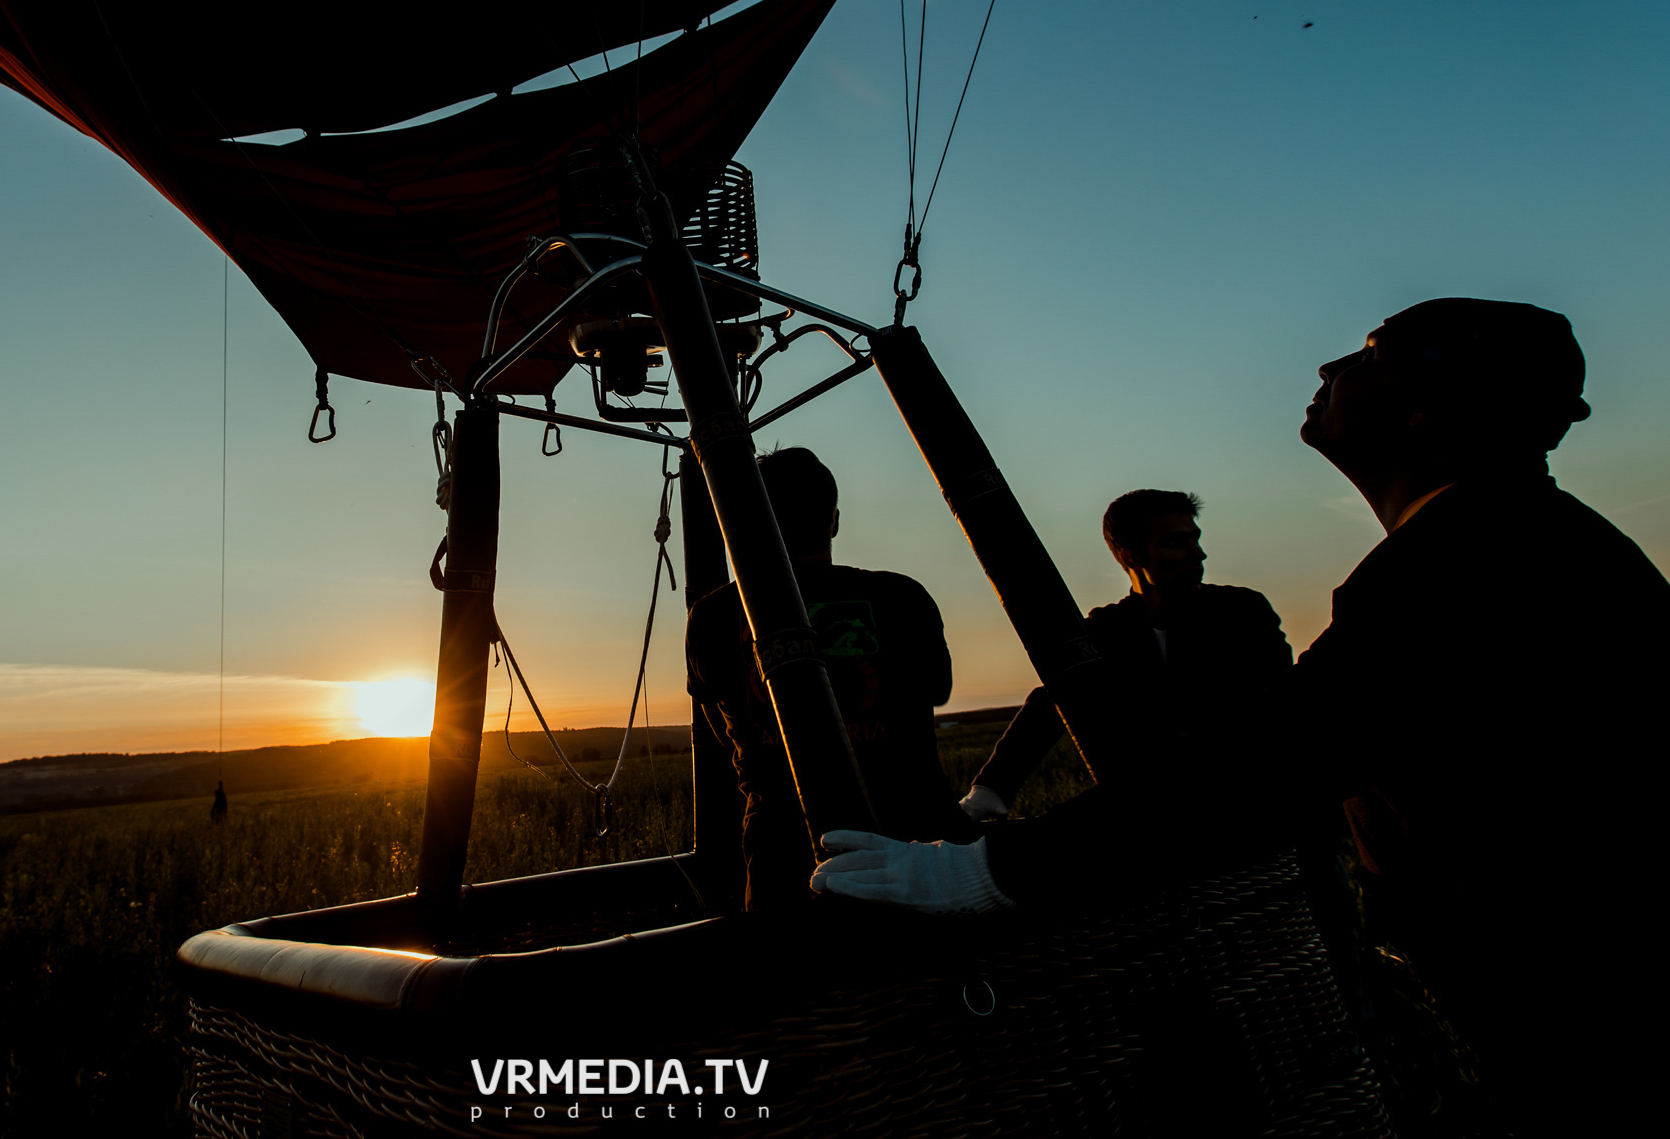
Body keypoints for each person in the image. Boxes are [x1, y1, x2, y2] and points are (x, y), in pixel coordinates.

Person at [812, 298, 1667, 1130]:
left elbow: (1271, 754)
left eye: (1369, 356)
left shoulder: (1473, 558)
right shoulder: (1518, 540)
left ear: (1419, 413)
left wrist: (989, 872)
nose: (1331, 367)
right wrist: (990, 798)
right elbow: (1071, 711)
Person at [687, 447, 970, 909]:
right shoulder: (903, 596)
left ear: (752, 524)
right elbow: (936, 689)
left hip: (788, 863)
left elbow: (723, 729)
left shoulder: (712, 616)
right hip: (922, 850)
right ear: (834, 520)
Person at [962, 489, 1292, 822]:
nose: (1199, 555)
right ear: (1131, 556)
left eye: (1196, 539)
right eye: (1176, 543)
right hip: (1165, 820)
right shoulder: (1105, 629)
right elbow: (1053, 700)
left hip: (1269, 813)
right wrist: (989, 790)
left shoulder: (1243, 612)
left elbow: (1280, 703)